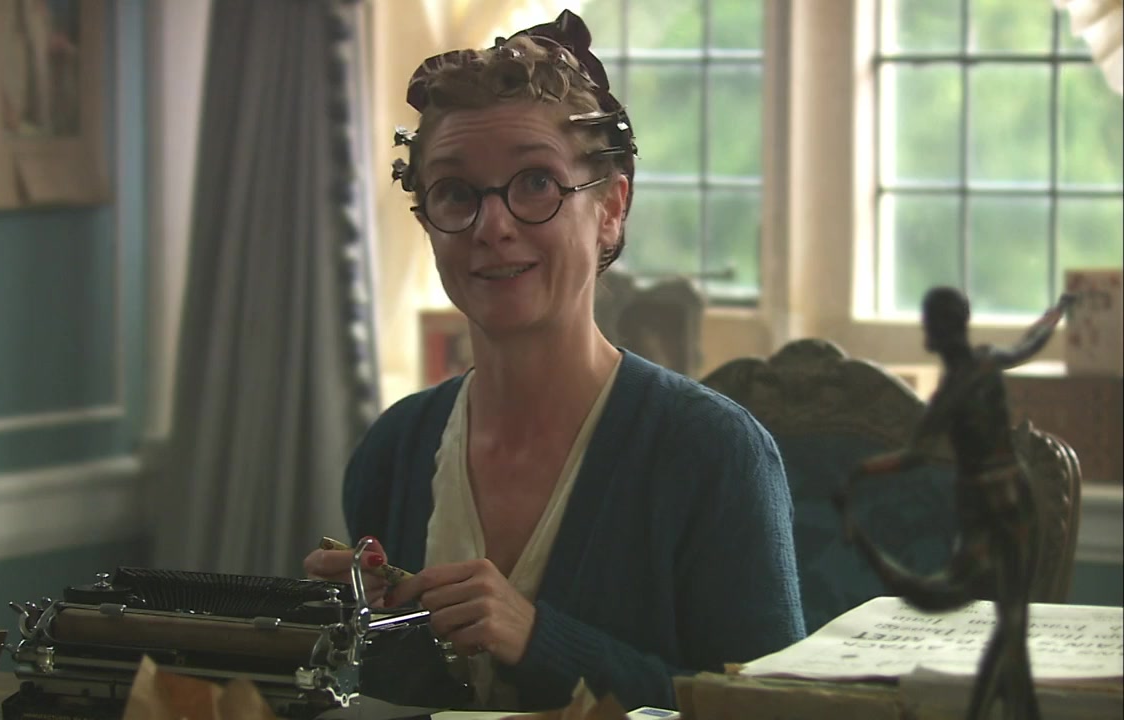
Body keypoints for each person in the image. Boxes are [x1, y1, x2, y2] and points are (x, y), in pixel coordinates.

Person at [303, 10, 804, 711]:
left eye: (536, 182)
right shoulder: (393, 451)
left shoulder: (715, 455)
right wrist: (358, 635)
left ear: (611, 208)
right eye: (455, 193)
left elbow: (772, 709)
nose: (493, 225)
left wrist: (539, 641)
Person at [835, 287, 1076, 720]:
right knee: (1009, 619)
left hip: (998, 502)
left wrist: (860, 472)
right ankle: (1010, 704)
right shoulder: (978, 369)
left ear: (942, 330)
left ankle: (999, 703)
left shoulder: (957, 389)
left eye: (930, 324)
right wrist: (1056, 313)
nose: (927, 332)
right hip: (1005, 499)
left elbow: (914, 456)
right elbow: (1029, 344)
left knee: (1010, 619)